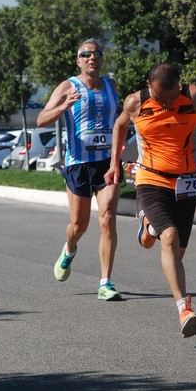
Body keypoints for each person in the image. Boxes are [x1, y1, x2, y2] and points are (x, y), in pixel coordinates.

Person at [104, 63, 196, 336]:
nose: (168, 103)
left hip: (186, 181)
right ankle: (185, 309)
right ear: (149, 86)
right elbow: (120, 126)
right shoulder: (136, 102)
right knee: (169, 237)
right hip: (151, 178)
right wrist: (115, 162)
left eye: (172, 97)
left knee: (177, 253)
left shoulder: (194, 95)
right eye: (162, 99)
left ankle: (148, 227)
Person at [37, 38, 124, 301]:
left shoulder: (112, 86)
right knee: (79, 225)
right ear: (78, 60)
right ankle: (70, 248)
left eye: (97, 54)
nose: (92, 58)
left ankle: (105, 282)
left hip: (107, 163)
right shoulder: (68, 86)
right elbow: (41, 119)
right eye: (86, 54)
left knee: (107, 217)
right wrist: (64, 106)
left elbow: (122, 119)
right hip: (78, 163)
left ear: (102, 59)